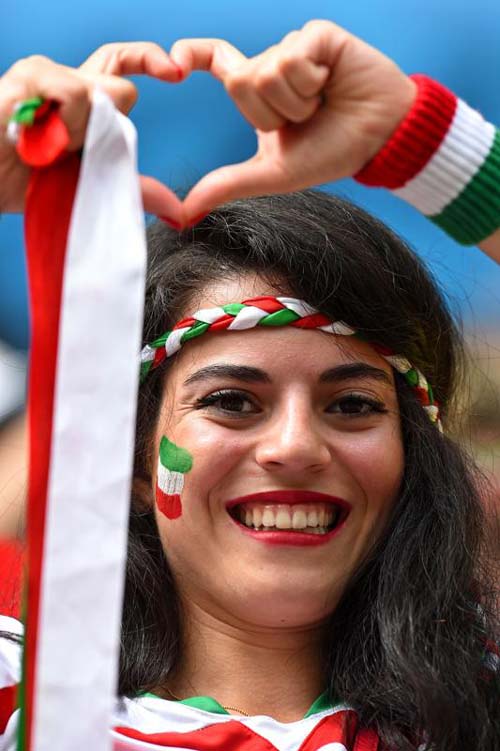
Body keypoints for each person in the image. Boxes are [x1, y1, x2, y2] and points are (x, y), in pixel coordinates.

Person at [0, 19, 499, 751]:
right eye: (232, 400)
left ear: (408, 458)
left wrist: (422, 142)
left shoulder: (475, 715)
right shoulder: (20, 694)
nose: (295, 446)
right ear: (134, 459)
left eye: (353, 404)